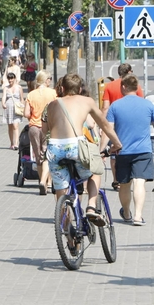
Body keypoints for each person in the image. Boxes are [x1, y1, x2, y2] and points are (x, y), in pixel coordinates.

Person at [45, 75, 121, 225]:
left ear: (61, 88)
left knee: (61, 193)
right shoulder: (87, 101)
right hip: (75, 146)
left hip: (54, 148)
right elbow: (104, 125)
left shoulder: (51, 105)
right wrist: (117, 144)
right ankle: (91, 207)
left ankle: (69, 239)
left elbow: (46, 131)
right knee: (95, 171)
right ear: (80, 89)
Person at [102, 75, 154, 226]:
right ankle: (138, 216)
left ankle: (126, 213)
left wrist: (102, 150)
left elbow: (108, 130)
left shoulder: (115, 106)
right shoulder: (148, 105)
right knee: (139, 182)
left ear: (123, 87)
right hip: (143, 151)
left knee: (124, 184)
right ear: (136, 88)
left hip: (122, 151)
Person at [100, 63, 144, 191]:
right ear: (129, 72)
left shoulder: (110, 86)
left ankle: (116, 180)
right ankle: (132, 177)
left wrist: (102, 124)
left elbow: (105, 107)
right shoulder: (136, 87)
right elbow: (139, 104)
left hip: (114, 121)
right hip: (130, 122)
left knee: (114, 151)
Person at [24, 70, 56, 195]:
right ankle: (46, 182)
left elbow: (26, 113)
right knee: (47, 153)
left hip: (33, 127)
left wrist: (33, 116)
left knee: (38, 156)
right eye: (50, 79)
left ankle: (40, 181)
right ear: (46, 80)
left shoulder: (31, 94)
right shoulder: (53, 93)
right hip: (48, 126)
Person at [1, 72, 24, 150]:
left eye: (11, 78)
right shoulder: (6, 88)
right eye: (9, 78)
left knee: (15, 125)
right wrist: (3, 103)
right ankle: (11, 143)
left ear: (14, 79)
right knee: (10, 126)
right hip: (8, 108)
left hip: (17, 108)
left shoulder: (19, 87)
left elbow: (21, 98)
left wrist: (23, 107)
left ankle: (16, 143)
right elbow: (4, 96)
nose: (10, 80)